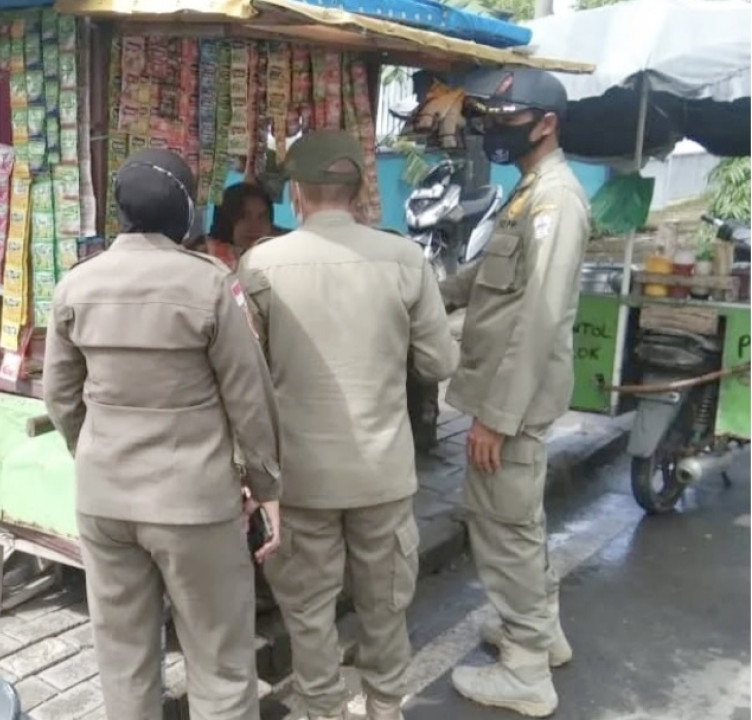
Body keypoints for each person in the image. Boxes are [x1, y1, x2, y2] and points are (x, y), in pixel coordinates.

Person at [43, 148, 284, 720]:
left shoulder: (76, 285)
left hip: (105, 501)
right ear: (184, 212)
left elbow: (59, 396)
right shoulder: (209, 286)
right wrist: (266, 487)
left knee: (124, 663)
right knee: (221, 663)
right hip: (194, 503)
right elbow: (248, 398)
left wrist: (94, 451)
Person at [237, 131, 458, 720]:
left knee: (307, 609)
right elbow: (439, 363)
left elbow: (246, 378)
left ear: (299, 197)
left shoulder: (259, 264)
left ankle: (322, 709)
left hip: (301, 480)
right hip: (382, 474)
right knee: (385, 603)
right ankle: (385, 706)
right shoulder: (407, 259)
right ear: (361, 191)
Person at [439, 68, 590, 717]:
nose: (495, 128)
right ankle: (539, 630)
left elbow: (540, 316)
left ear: (546, 123)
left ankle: (526, 669)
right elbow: (487, 276)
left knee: (502, 528)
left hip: (515, 403)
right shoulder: (530, 192)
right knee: (518, 522)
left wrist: (497, 419)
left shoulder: (557, 199)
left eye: (507, 117)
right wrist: (425, 294)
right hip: (509, 395)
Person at [205, 182, 285, 267]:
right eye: (244, 216)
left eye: (262, 217)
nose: (255, 226)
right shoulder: (207, 262)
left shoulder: (279, 257)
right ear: (225, 220)